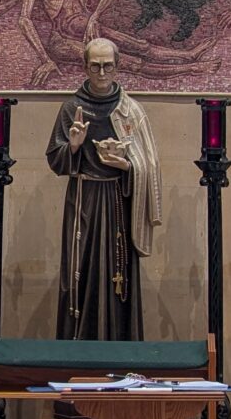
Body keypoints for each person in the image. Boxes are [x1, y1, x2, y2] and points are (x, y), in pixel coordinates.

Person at [46, 35, 162, 341]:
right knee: (80, 272)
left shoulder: (130, 111)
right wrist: (72, 146)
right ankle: (78, 352)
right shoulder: (72, 108)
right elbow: (54, 160)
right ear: (84, 67)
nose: (101, 73)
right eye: (95, 66)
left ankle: (120, 349)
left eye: (107, 66)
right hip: (83, 201)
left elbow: (148, 164)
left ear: (118, 67)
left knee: (118, 275)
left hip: (117, 203)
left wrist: (126, 166)